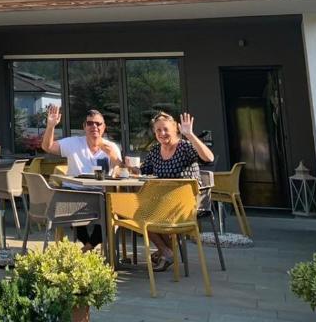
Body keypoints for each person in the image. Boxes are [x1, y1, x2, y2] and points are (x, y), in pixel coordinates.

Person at [139, 111, 214, 271]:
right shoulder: (155, 150)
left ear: (175, 130)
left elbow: (209, 158)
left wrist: (191, 135)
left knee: (142, 214)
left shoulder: (185, 147)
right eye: (158, 130)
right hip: (164, 202)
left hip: (187, 205)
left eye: (166, 129)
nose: (162, 133)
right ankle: (167, 252)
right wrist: (124, 166)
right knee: (138, 211)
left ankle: (165, 252)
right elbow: (142, 171)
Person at [41, 106, 121, 251]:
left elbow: (119, 171)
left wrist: (114, 158)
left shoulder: (111, 147)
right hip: (74, 192)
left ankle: (87, 249)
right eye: (90, 123)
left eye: (98, 124)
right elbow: (48, 147)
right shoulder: (74, 143)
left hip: (99, 195)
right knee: (77, 215)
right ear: (84, 127)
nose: (94, 127)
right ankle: (88, 247)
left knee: (112, 212)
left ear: (104, 127)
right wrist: (51, 126)